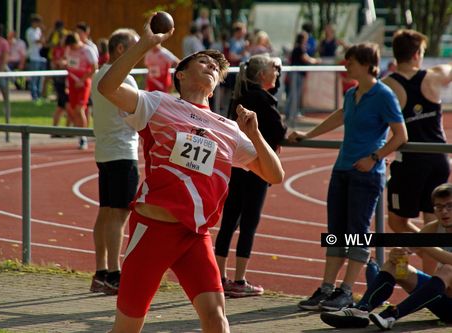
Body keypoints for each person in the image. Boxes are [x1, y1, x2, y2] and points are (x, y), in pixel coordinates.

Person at [97, 13, 284, 333]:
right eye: (203, 62)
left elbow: (274, 175)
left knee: (216, 319)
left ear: (216, 87)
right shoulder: (156, 104)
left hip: (195, 236)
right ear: (180, 74)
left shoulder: (228, 129)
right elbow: (108, 87)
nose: (212, 67)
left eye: (216, 67)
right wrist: (146, 44)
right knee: (128, 326)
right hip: (153, 230)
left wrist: (254, 135)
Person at [288, 43, 408, 312]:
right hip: (342, 170)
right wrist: (308, 135)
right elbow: (340, 117)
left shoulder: (383, 95)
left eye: (350, 61)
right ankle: (327, 289)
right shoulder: (352, 93)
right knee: (336, 233)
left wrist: (374, 158)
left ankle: (346, 291)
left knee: (357, 233)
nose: (345, 64)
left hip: (366, 175)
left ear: (367, 64)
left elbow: (401, 136)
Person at [320, 182, 452, 330]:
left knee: (448, 270)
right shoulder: (435, 227)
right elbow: (410, 245)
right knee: (394, 265)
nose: (444, 212)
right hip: (442, 300)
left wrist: (425, 245)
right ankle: (361, 310)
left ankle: (393, 314)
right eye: (439, 207)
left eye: (449, 206)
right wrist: (398, 252)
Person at [215, 54, 286, 298]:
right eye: (273, 70)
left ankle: (220, 277)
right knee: (249, 223)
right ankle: (239, 279)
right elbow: (279, 131)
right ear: (262, 75)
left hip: (236, 167)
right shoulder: (263, 100)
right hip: (256, 168)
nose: (277, 73)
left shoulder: (240, 96)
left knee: (229, 221)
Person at [383, 29, 451, 274]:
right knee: (433, 223)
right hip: (439, 157)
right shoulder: (434, 75)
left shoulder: (388, 84)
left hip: (412, 160)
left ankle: (428, 251)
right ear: (416, 54)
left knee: (397, 221)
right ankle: (436, 285)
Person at [89, 28, 140, 296]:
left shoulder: (98, 75)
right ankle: (114, 273)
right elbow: (136, 115)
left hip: (105, 152)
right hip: (122, 151)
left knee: (106, 212)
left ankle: (100, 273)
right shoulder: (126, 80)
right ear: (120, 50)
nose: (139, 53)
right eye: (134, 47)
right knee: (118, 216)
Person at [64, 32, 98, 149]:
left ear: (76, 42)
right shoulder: (68, 49)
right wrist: (68, 83)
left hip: (83, 83)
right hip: (72, 82)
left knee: (80, 109)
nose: (71, 48)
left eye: (72, 46)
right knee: (73, 110)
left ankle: (83, 138)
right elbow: (69, 65)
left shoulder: (88, 50)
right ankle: (80, 135)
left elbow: (94, 67)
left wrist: (82, 79)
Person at [284, 31, 321, 123]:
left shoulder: (299, 48)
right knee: (294, 94)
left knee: (295, 94)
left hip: (298, 74)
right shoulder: (299, 48)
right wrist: (316, 61)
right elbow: (306, 58)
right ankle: (291, 115)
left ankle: (290, 113)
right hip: (296, 73)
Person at [25, 14, 46, 103]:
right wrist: (43, 33)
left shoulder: (38, 31)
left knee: (40, 78)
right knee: (34, 78)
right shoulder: (30, 31)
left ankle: (39, 94)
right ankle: (34, 96)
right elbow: (37, 41)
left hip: (41, 57)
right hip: (33, 57)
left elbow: (43, 41)